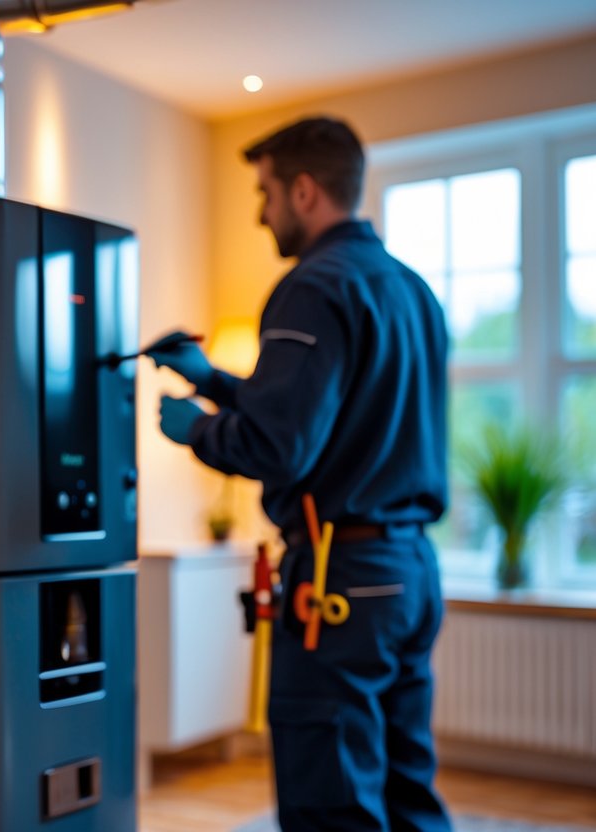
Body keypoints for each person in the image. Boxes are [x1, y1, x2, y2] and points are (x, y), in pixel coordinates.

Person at [152, 116, 451, 831]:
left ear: (305, 190)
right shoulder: (410, 290)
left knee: (333, 802)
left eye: (265, 194)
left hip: (340, 581)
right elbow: (333, 417)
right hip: (407, 572)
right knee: (406, 785)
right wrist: (217, 382)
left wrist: (193, 427)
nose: (261, 213)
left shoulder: (312, 286)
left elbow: (277, 447)